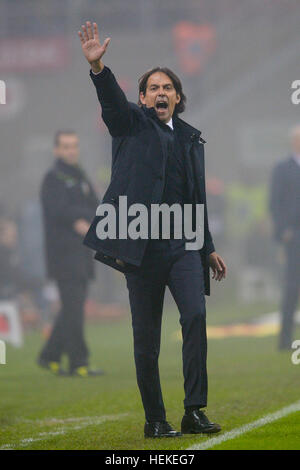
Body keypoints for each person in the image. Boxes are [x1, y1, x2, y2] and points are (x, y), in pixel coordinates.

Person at [79, 21, 227, 437]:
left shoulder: (191, 140)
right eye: (153, 88)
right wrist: (98, 69)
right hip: (140, 247)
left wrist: (207, 247)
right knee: (146, 338)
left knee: (196, 316)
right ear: (143, 98)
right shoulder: (130, 124)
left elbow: (197, 200)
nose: (160, 92)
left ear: (178, 98)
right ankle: (155, 420)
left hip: (182, 246)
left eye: (168, 87)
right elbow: (111, 104)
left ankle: (194, 410)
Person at [38, 130, 104, 377]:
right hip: (64, 254)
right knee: (74, 309)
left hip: (82, 252)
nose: (71, 150)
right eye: (65, 146)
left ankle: (50, 355)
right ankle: (79, 362)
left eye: (74, 146)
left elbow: (94, 206)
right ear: (56, 150)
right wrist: (78, 217)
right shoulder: (52, 178)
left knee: (71, 308)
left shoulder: (81, 177)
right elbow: (59, 210)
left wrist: (82, 217)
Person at [270, 125, 300, 350]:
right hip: (294, 236)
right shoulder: (282, 168)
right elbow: (275, 203)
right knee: (292, 287)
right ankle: (285, 340)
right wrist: (283, 231)